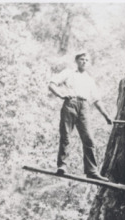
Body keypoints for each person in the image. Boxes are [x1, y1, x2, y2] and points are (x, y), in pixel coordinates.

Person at [48, 52, 112, 181]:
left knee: (88, 139)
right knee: (65, 136)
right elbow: (52, 84)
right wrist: (61, 95)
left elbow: (96, 100)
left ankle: (92, 171)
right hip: (70, 104)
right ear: (76, 61)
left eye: (87, 60)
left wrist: (106, 116)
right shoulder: (69, 73)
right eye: (82, 59)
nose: (84, 62)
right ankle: (62, 166)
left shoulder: (89, 79)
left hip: (84, 107)